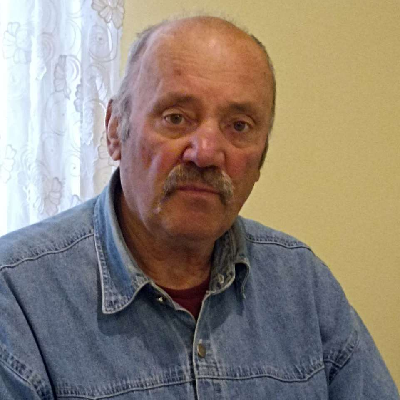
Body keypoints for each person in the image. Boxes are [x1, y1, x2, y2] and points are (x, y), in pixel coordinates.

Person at [0, 15, 398, 400]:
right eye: (176, 118)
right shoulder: (17, 293)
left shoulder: (303, 285)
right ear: (115, 130)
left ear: (261, 156)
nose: (205, 153)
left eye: (239, 125)